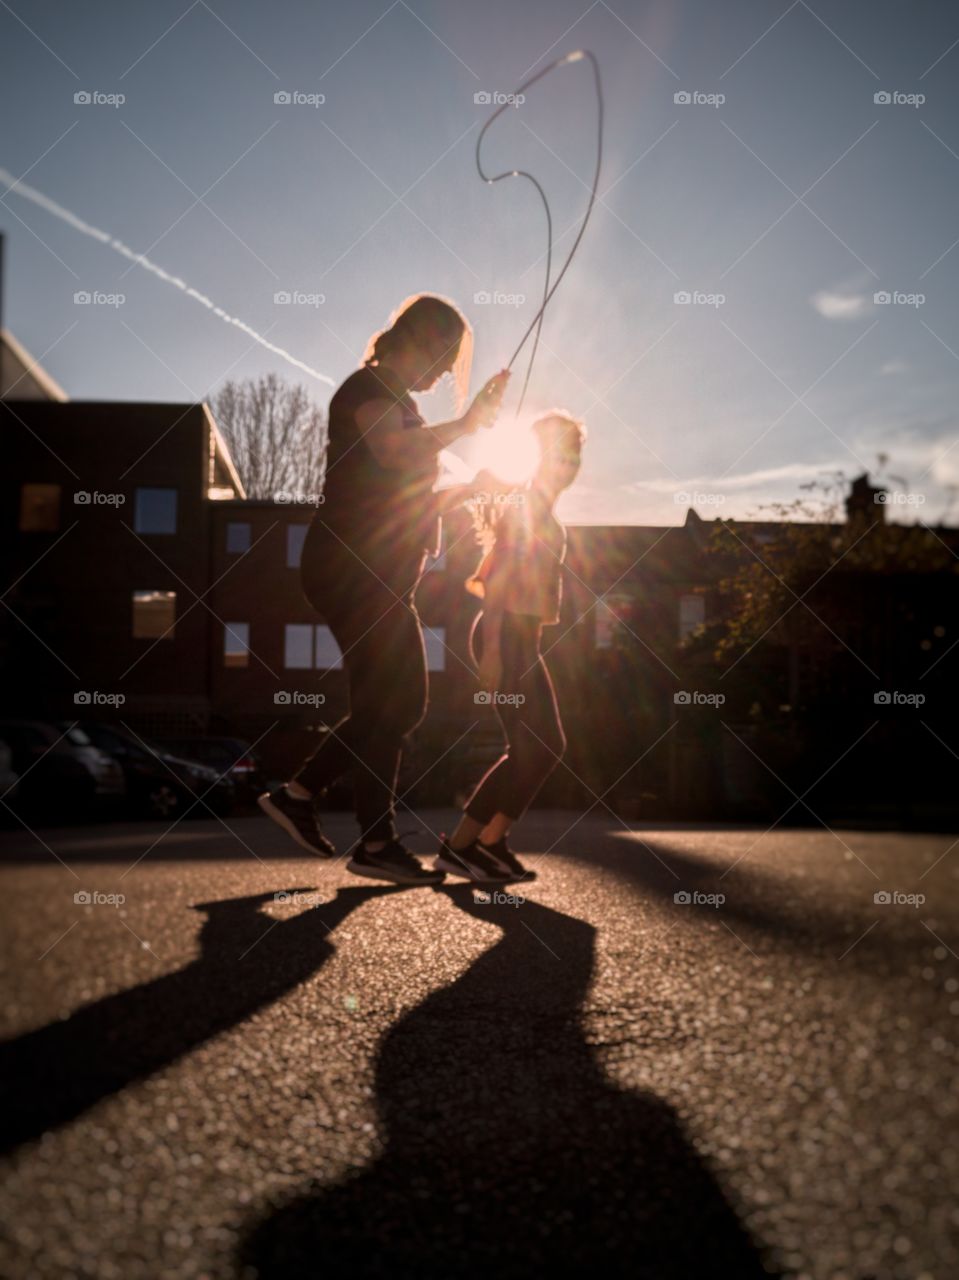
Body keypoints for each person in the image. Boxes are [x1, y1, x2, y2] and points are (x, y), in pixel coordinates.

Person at [259, 293, 510, 885]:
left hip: (378, 573)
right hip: (351, 567)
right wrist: (468, 425)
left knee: (394, 704)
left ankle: (304, 797)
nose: (447, 373)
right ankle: (370, 839)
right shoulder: (364, 390)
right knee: (396, 703)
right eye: (444, 358)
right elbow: (394, 452)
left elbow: (411, 493)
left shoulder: (406, 409)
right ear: (416, 340)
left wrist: (472, 488)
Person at [435, 411, 586, 883]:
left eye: (575, 455)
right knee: (540, 744)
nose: (569, 465)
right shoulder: (527, 505)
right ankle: (468, 846)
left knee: (538, 745)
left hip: (522, 638)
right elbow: (498, 580)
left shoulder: (540, 506)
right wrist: (496, 649)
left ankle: (483, 843)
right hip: (505, 634)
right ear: (541, 456)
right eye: (560, 454)